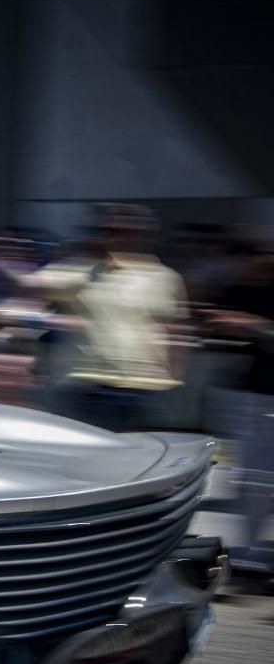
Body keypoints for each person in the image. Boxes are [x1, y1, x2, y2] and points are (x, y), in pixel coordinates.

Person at [16, 204, 188, 432]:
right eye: (105, 231)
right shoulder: (75, 269)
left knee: (136, 460)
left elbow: (176, 329)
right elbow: (27, 289)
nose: (114, 237)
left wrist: (174, 379)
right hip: (83, 384)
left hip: (143, 386)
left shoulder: (166, 277)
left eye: (123, 231)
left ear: (142, 234)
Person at [202, 247, 274, 578]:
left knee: (259, 480)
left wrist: (253, 326)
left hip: (261, 395)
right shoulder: (242, 289)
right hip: (252, 394)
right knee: (253, 482)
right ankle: (250, 554)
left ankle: (254, 555)